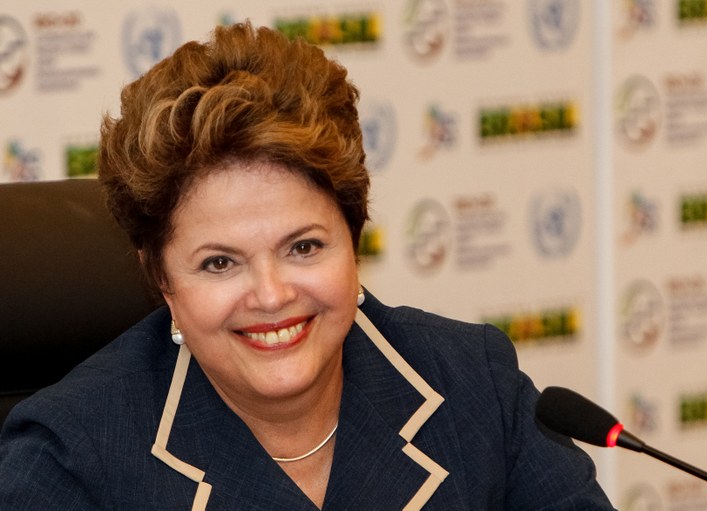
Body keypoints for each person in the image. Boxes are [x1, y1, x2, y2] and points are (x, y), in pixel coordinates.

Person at [0, 22, 615, 510]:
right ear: (159, 277)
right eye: (219, 263)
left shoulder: (472, 386)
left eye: (304, 247)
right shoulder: (72, 457)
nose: (271, 295)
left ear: (354, 237)